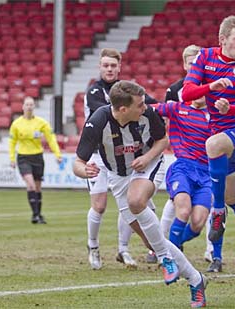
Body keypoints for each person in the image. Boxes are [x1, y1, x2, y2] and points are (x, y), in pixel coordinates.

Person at [73, 80, 207, 308]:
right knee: (153, 241)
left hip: (149, 164)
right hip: (118, 177)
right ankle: (196, 280)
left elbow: (163, 140)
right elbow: (78, 162)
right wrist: (84, 171)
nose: (145, 107)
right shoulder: (97, 122)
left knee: (136, 201)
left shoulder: (148, 114)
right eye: (140, 105)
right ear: (123, 109)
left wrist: (146, 158)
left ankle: (166, 260)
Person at [182, 15, 235, 245]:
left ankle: (217, 211)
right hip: (223, 137)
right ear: (223, 39)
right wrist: (211, 86)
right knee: (231, 195)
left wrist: (230, 108)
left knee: (213, 144)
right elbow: (187, 93)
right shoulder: (205, 57)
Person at [84, 48, 160, 270]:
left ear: (119, 67)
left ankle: (123, 249)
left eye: (113, 65)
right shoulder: (94, 91)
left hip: (123, 154)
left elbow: (151, 104)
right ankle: (93, 247)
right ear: (100, 67)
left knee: (129, 203)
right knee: (99, 205)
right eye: (105, 65)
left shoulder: (128, 90)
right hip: (99, 155)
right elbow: (110, 114)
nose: (109, 69)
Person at [158, 44, 215, 264]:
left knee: (199, 220)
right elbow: (154, 111)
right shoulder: (175, 98)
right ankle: (168, 254)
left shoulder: (216, 105)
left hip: (207, 170)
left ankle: (179, 244)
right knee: (180, 209)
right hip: (183, 164)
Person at [154, 96, 211, 252]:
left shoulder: (216, 114)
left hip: (206, 173)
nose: (199, 93)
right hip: (183, 168)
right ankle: (170, 258)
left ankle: (174, 245)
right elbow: (145, 108)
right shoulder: (176, 108)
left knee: (198, 223)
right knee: (183, 211)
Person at [9, 96, 62, 224]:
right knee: (31, 185)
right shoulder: (16, 124)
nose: (29, 107)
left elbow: (51, 138)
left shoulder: (41, 123)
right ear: (23, 107)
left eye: (31, 104)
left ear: (34, 107)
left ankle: (38, 214)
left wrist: (57, 154)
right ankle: (35, 215)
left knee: (38, 188)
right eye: (27, 104)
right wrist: (12, 158)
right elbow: (12, 142)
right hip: (23, 157)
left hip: (37, 157)